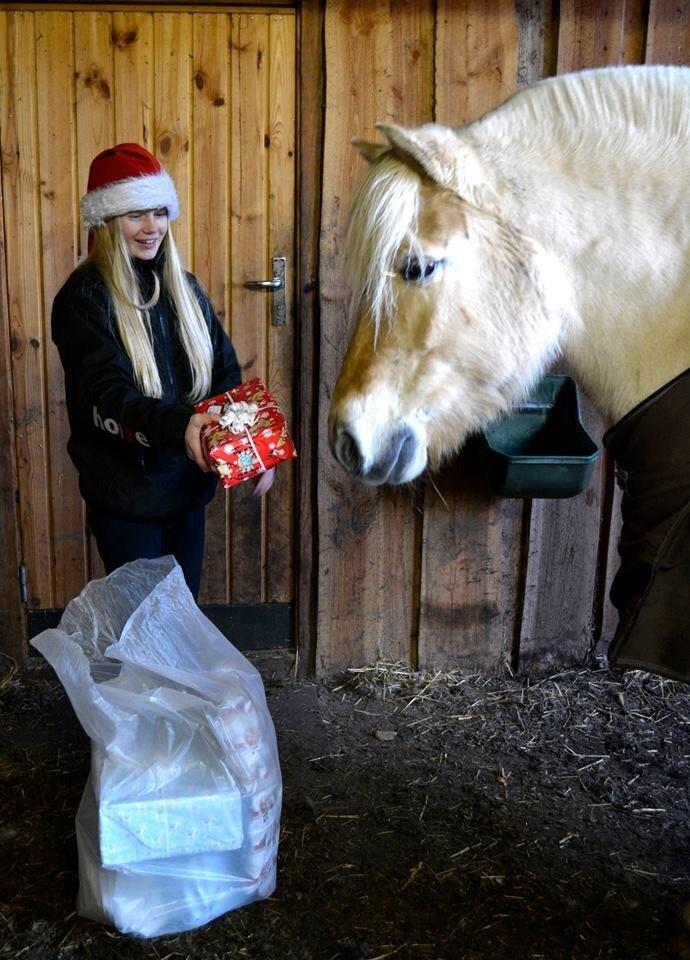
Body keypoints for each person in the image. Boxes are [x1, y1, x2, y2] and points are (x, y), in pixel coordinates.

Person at [52, 142, 273, 599]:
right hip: (127, 497)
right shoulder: (85, 298)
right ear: (109, 221)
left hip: (187, 490)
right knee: (147, 627)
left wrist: (249, 447)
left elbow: (224, 371)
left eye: (159, 212)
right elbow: (108, 394)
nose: (151, 227)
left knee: (182, 613)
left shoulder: (184, 287)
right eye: (135, 214)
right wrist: (180, 426)